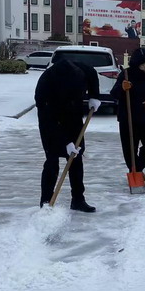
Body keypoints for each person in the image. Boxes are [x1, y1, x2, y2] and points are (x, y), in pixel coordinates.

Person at [34, 59, 102, 211]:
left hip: (73, 115)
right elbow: (49, 122)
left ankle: (78, 199)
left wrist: (94, 96)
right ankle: (46, 201)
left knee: (76, 159)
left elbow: (92, 74)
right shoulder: (45, 87)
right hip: (51, 119)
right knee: (52, 160)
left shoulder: (81, 70)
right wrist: (65, 142)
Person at [110, 47, 145, 181]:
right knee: (130, 149)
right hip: (127, 118)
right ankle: (134, 171)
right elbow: (114, 93)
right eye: (143, 65)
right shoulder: (126, 74)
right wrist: (122, 88)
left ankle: (137, 169)